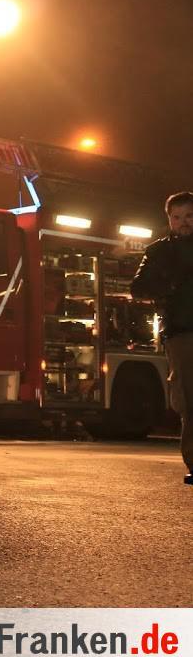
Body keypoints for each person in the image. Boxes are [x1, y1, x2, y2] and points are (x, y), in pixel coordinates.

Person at [131, 191, 193, 485]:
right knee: (188, 398)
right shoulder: (159, 252)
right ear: (168, 219)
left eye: (189, 216)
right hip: (181, 332)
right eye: (177, 217)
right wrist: (169, 284)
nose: (183, 223)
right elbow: (139, 287)